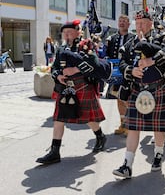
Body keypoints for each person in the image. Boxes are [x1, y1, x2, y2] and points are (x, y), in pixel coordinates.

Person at [112, 9, 165, 179]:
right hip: (138, 89)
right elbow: (121, 63)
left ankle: (158, 155)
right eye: (138, 23)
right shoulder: (130, 43)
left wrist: (152, 60)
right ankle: (127, 165)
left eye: (143, 23)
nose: (140, 26)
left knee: (159, 126)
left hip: (159, 87)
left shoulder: (161, 38)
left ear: (150, 23)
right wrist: (131, 70)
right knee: (133, 127)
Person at [36, 19, 111, 165]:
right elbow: (54, 67)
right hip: (65, 88)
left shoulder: (86, 45)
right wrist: (58, 75)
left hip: (83, 86)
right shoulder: (61, 49)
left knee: (88, 119)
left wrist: (75, 70)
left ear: (78, 32)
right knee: (58, 119)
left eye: (69, 32)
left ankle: (100, 136)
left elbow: (93, 64)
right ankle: (54, 152)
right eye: (64, 33)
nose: (67, 35)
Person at [105, 14, 136, 136]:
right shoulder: (112, 38)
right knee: (118, 98)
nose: (121, 23)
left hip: (128, 73)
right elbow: (107, 55)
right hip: (115, 73)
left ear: (129, 24)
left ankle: (131, 124)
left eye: (124, 21)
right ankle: (123, 124)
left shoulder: (133, 38)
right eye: (120, 21)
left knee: (127, 98)